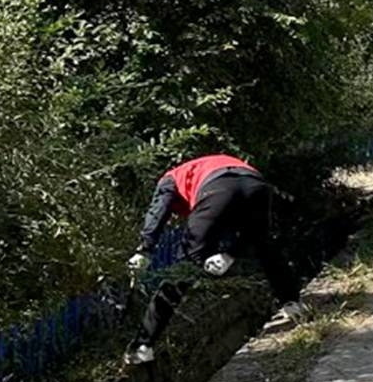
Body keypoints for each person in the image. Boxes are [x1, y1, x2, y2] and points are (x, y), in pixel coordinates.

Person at [125, 154, 301, 364]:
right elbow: (249, 230)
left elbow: (158, 211)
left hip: (217, 189)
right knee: (264, 245)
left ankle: (143, 345)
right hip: (257, 185)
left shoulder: (169, 179)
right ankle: (293, 304)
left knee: (184, 267)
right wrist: (230, 253)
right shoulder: (203, 167)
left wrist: (145, 248)